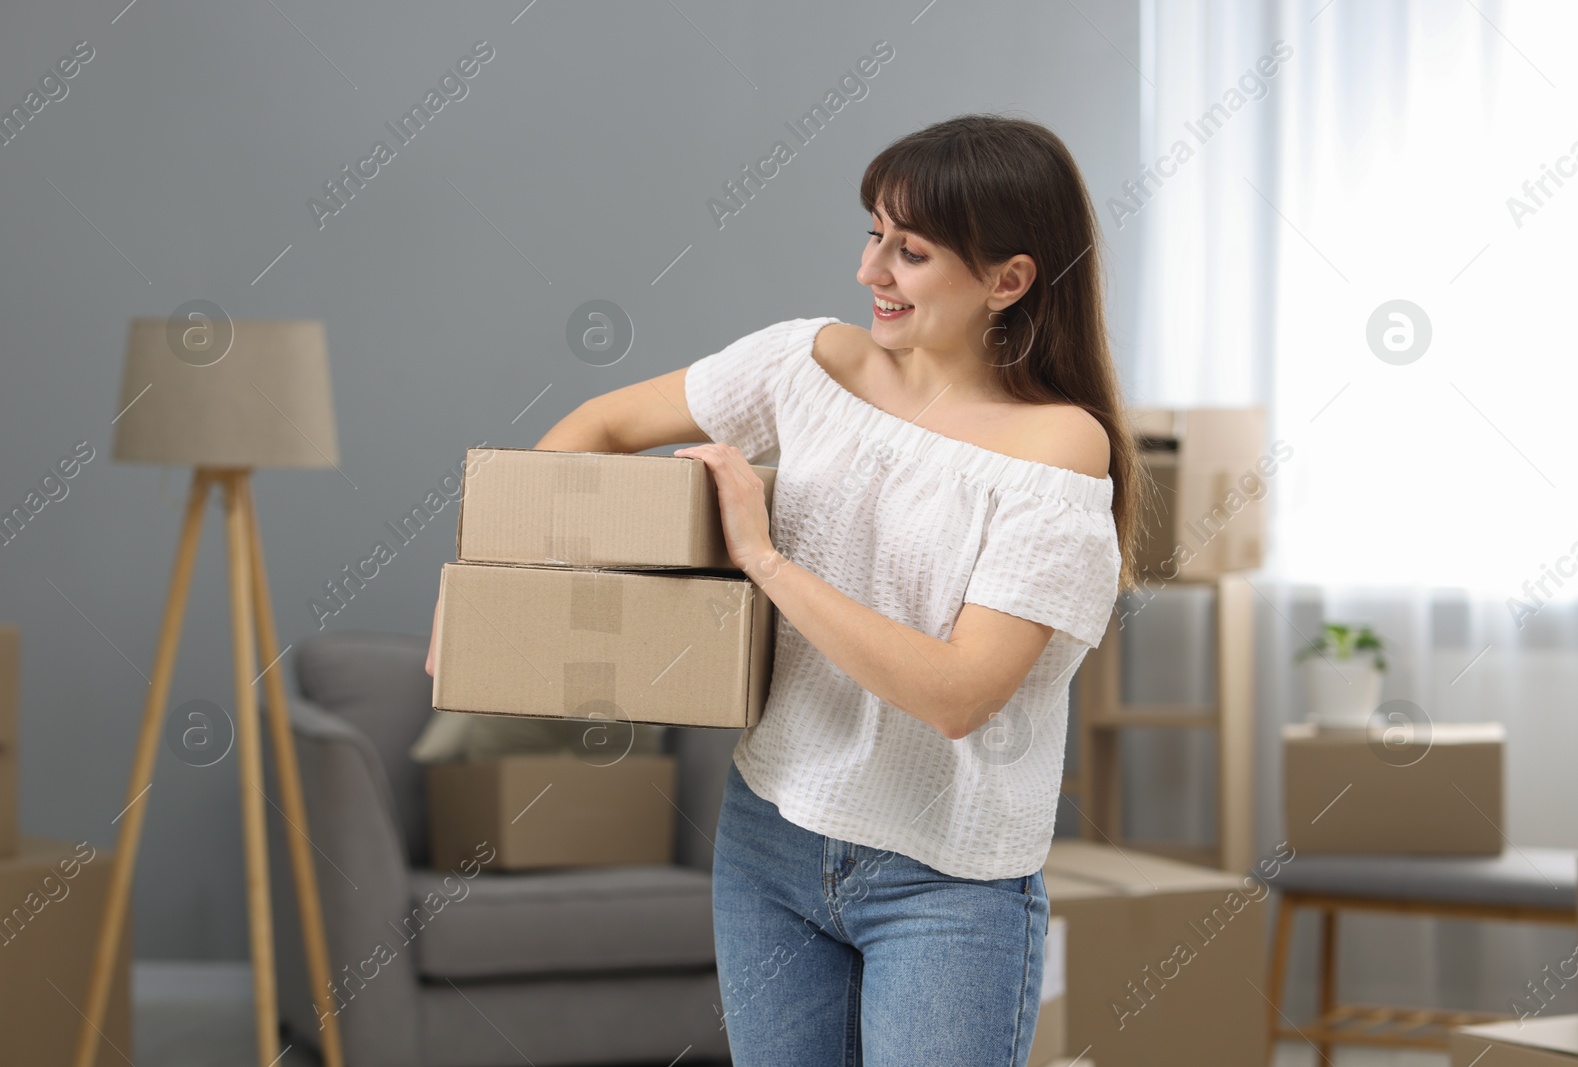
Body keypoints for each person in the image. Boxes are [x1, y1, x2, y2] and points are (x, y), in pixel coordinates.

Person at [426, 113, 1149, 1065]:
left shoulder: (1056, 446)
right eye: (873, 232)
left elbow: (960, 694)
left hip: (945, 880)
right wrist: (487, 595)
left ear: (1008, 281)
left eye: (913, 251)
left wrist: (766, 560)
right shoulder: (806, 364)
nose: (871, 271)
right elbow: (597, 428)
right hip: (772, 840)